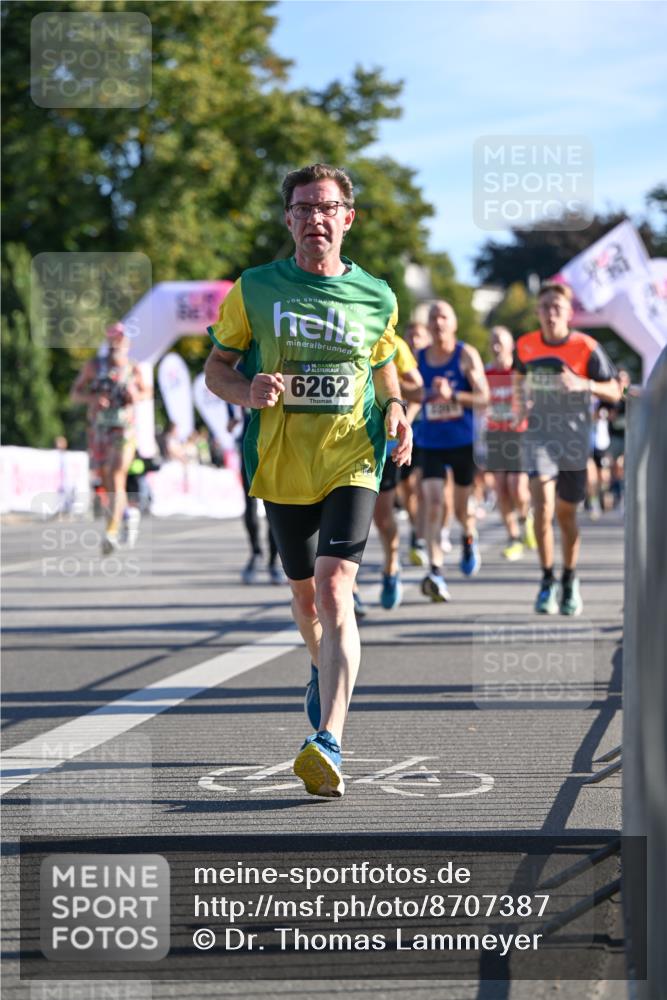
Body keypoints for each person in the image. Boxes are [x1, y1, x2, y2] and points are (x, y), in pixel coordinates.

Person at [204, 163, 412, 798]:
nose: (315, 218)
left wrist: (396, 407)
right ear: (289, 220)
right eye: (303, 208)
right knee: (304, 598)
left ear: (347, 218)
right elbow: (216, 367)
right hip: (283, 462)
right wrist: (247, 389)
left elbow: (382, 363)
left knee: (334, 585)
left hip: (354, 455)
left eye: (326, 208)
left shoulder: (376, 295)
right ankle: (323, 668)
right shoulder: (254, 288)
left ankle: (329, 740)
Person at [514, 282, 621, 615]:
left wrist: (583, 383)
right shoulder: (526, 345)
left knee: (566, 514)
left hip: (574, 440)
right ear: (537, 312)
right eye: (545, 307)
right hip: (539, 436)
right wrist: (520, 402)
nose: (551, 313)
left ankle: (569, 577)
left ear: (569, 313)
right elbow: (518, 381)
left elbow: (615, 391)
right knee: (543, 507)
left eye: (557, 307)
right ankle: (547, 579)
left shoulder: (585, 347)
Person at [408, 300, 489, 602]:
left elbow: (484, 398)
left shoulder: (465, 355)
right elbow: (408, 391)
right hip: (430, 442)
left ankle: (468, 537)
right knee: (432, 502)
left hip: (462, 442)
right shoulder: (418, 358)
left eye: (443, 316)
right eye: (432, 317)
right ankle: (436, 571)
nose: (437, 322)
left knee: (461, 508)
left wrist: (452, 395)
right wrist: (418, 396)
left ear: (453, 323)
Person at [71, 322, 151, 553]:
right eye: (114, 339)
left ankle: (111, 532)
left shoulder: (133, 368)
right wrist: (93, 399)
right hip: (99, 430)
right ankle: (127, 514)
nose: (118, 343)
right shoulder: (94, 366)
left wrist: (135, 395)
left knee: (116, 475)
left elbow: (147, 392)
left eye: (121, 339)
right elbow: (75, 393)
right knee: (107, 480)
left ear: (127, 343)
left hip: (124, 430)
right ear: (108, 341)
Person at [372, 334, 423, 609]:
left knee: (382, 517)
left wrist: (386, 383)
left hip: (385, 442)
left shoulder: (394, 343)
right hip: (338, 444)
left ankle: (391, 566)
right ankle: (347, 589)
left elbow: (419, 391)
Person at [484, 325, 535, 560]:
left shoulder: (521, 372)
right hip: (495, 435)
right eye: (492, 341)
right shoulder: (486, 374)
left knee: (517, 487)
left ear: (511, 345)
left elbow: (534, 399)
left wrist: (524, 411)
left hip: (518, 435)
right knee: (501, 488)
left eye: (500, 341)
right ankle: (513, 538)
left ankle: (526, 519)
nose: (496, 346)